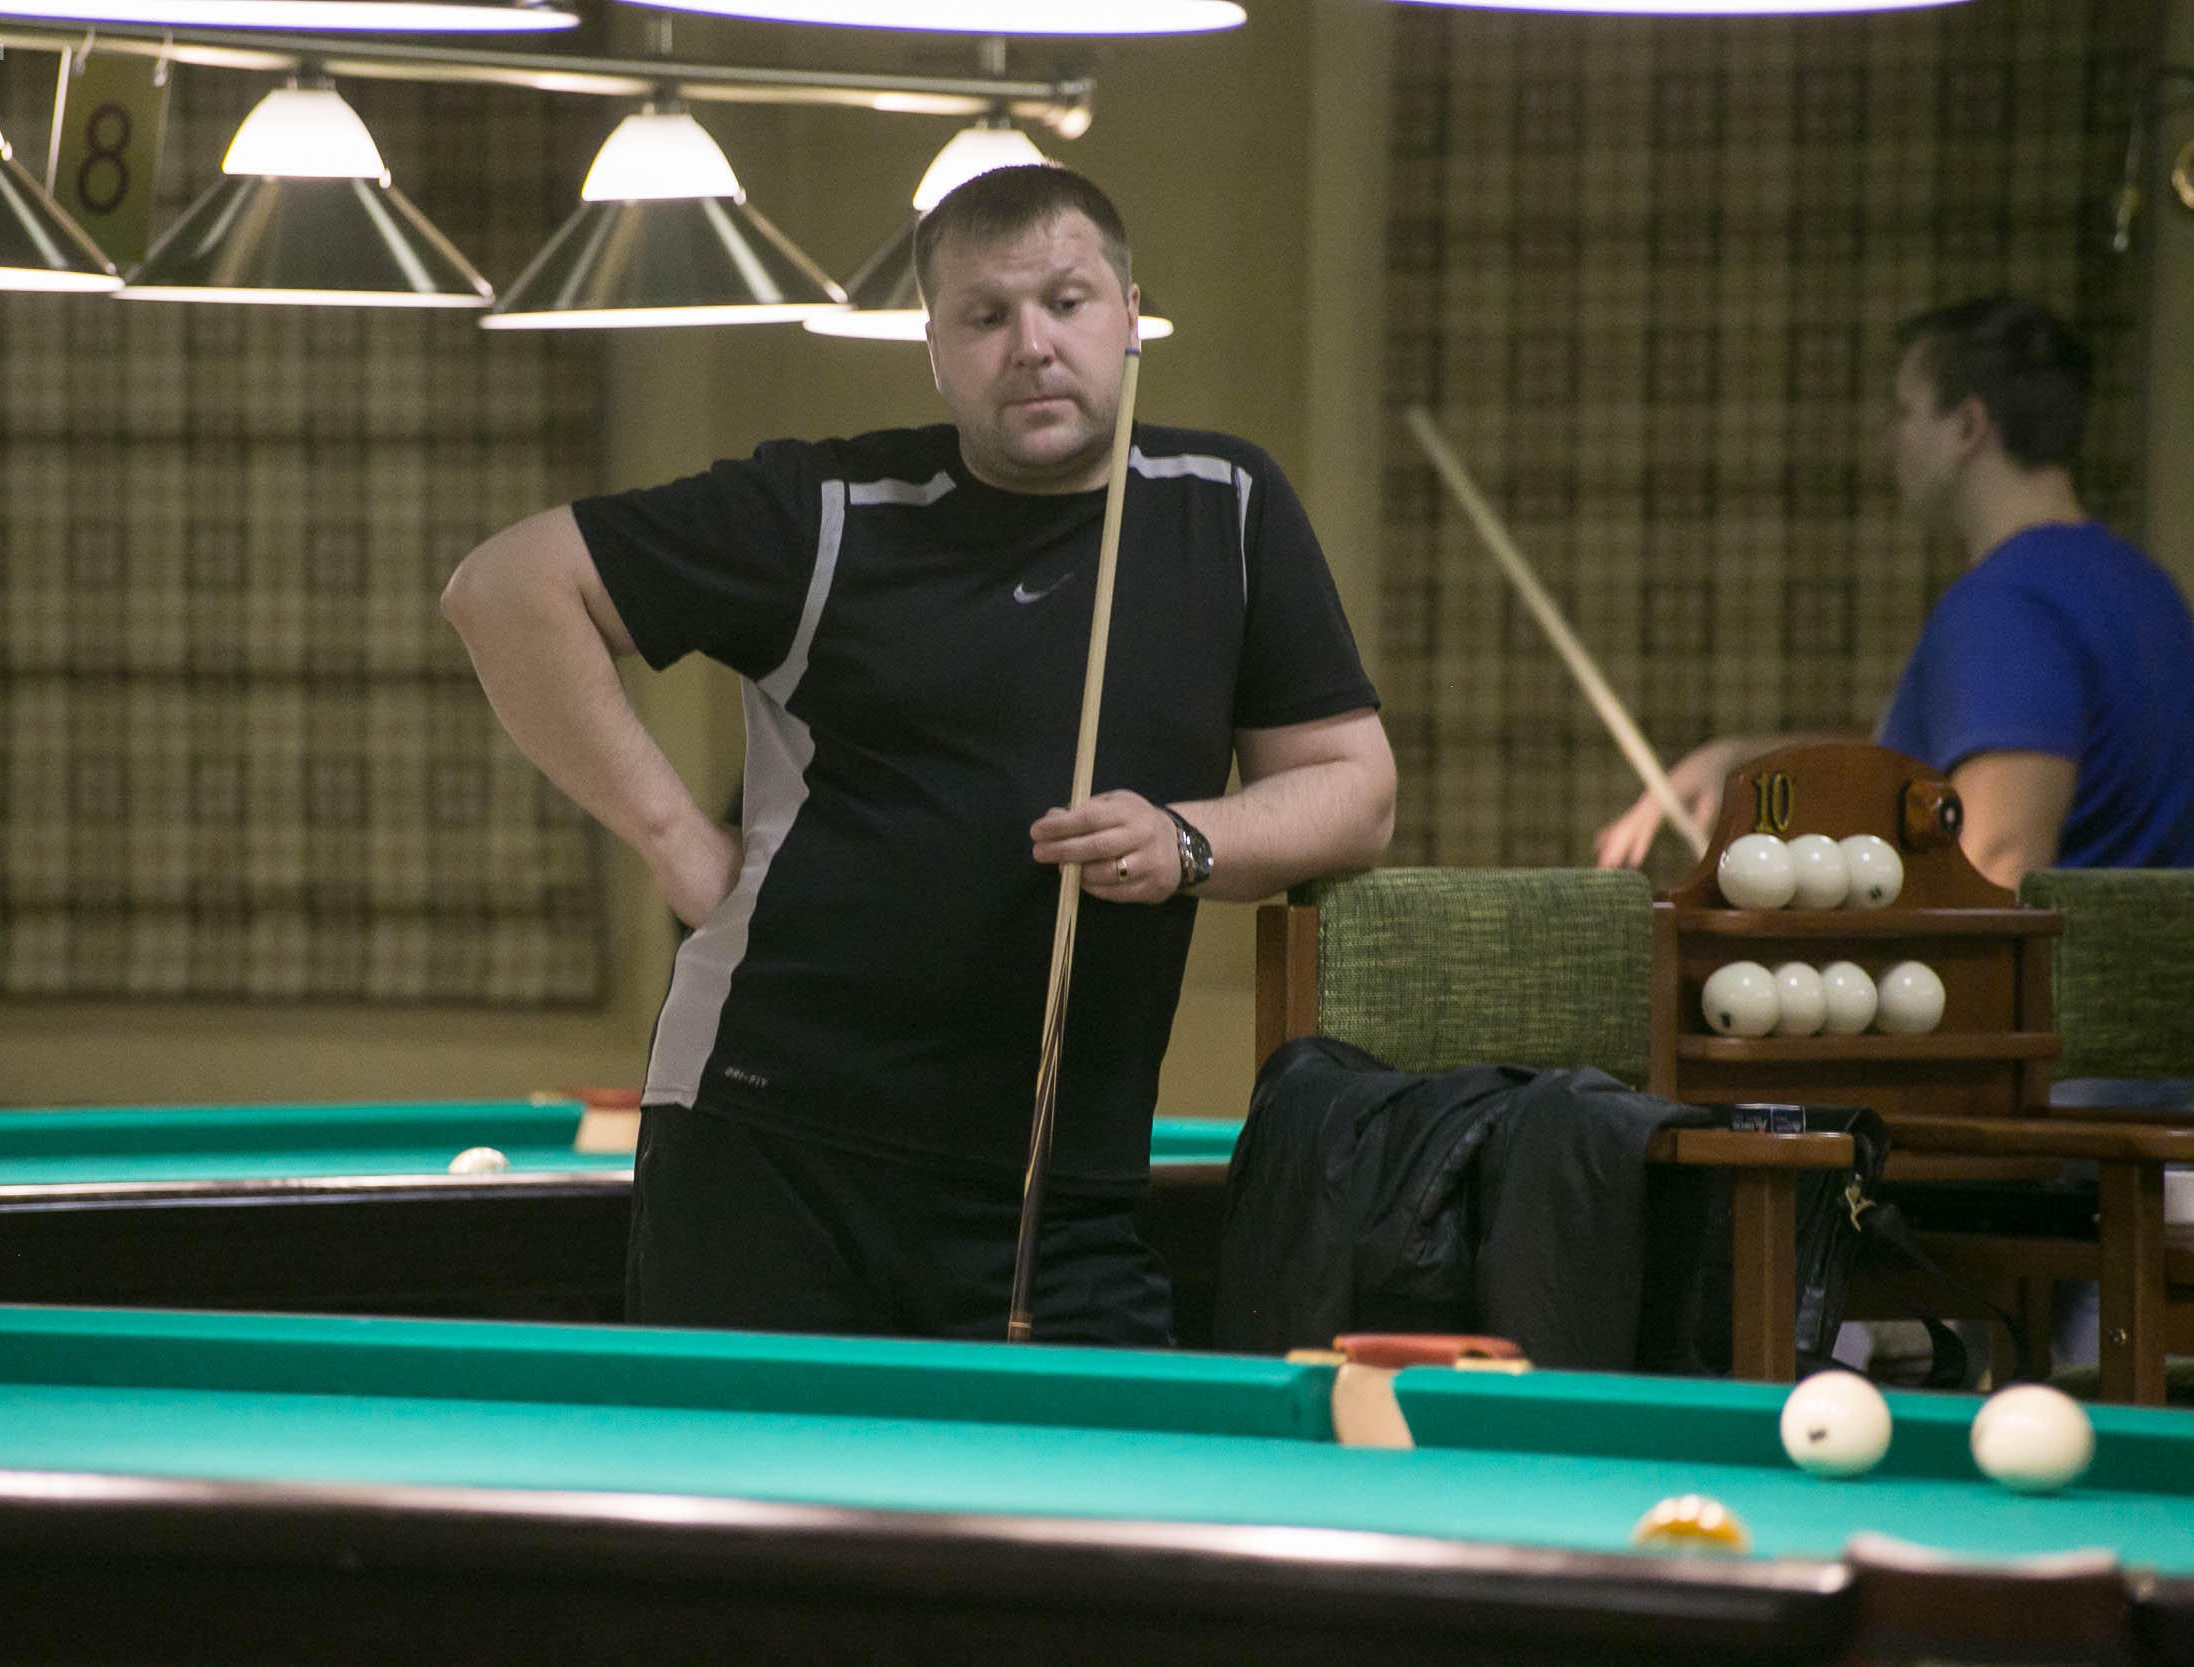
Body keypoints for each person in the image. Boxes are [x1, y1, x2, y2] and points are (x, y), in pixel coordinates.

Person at [441, 166, 1396, 1345]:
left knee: (1090, 1460)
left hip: (1062, 1171)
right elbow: (506, 587)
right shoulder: (828, 507)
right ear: (934, 347)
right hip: (772, 1139)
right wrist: (674, 837)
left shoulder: (1227, 506)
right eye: (985, 316)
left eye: (1066, 302)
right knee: (758, 1473)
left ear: (1130, 314)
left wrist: (1188, 839)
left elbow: (1355, 789)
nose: (1032, 345)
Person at [1595, 295, 2194, 887]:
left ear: (1968, 426)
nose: (1890, 441)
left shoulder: (2007, 606)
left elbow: (1999, 865)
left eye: (1905, 413)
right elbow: (1954, 765)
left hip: (2060, 959)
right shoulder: (2145, 589)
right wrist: (1741, 761)